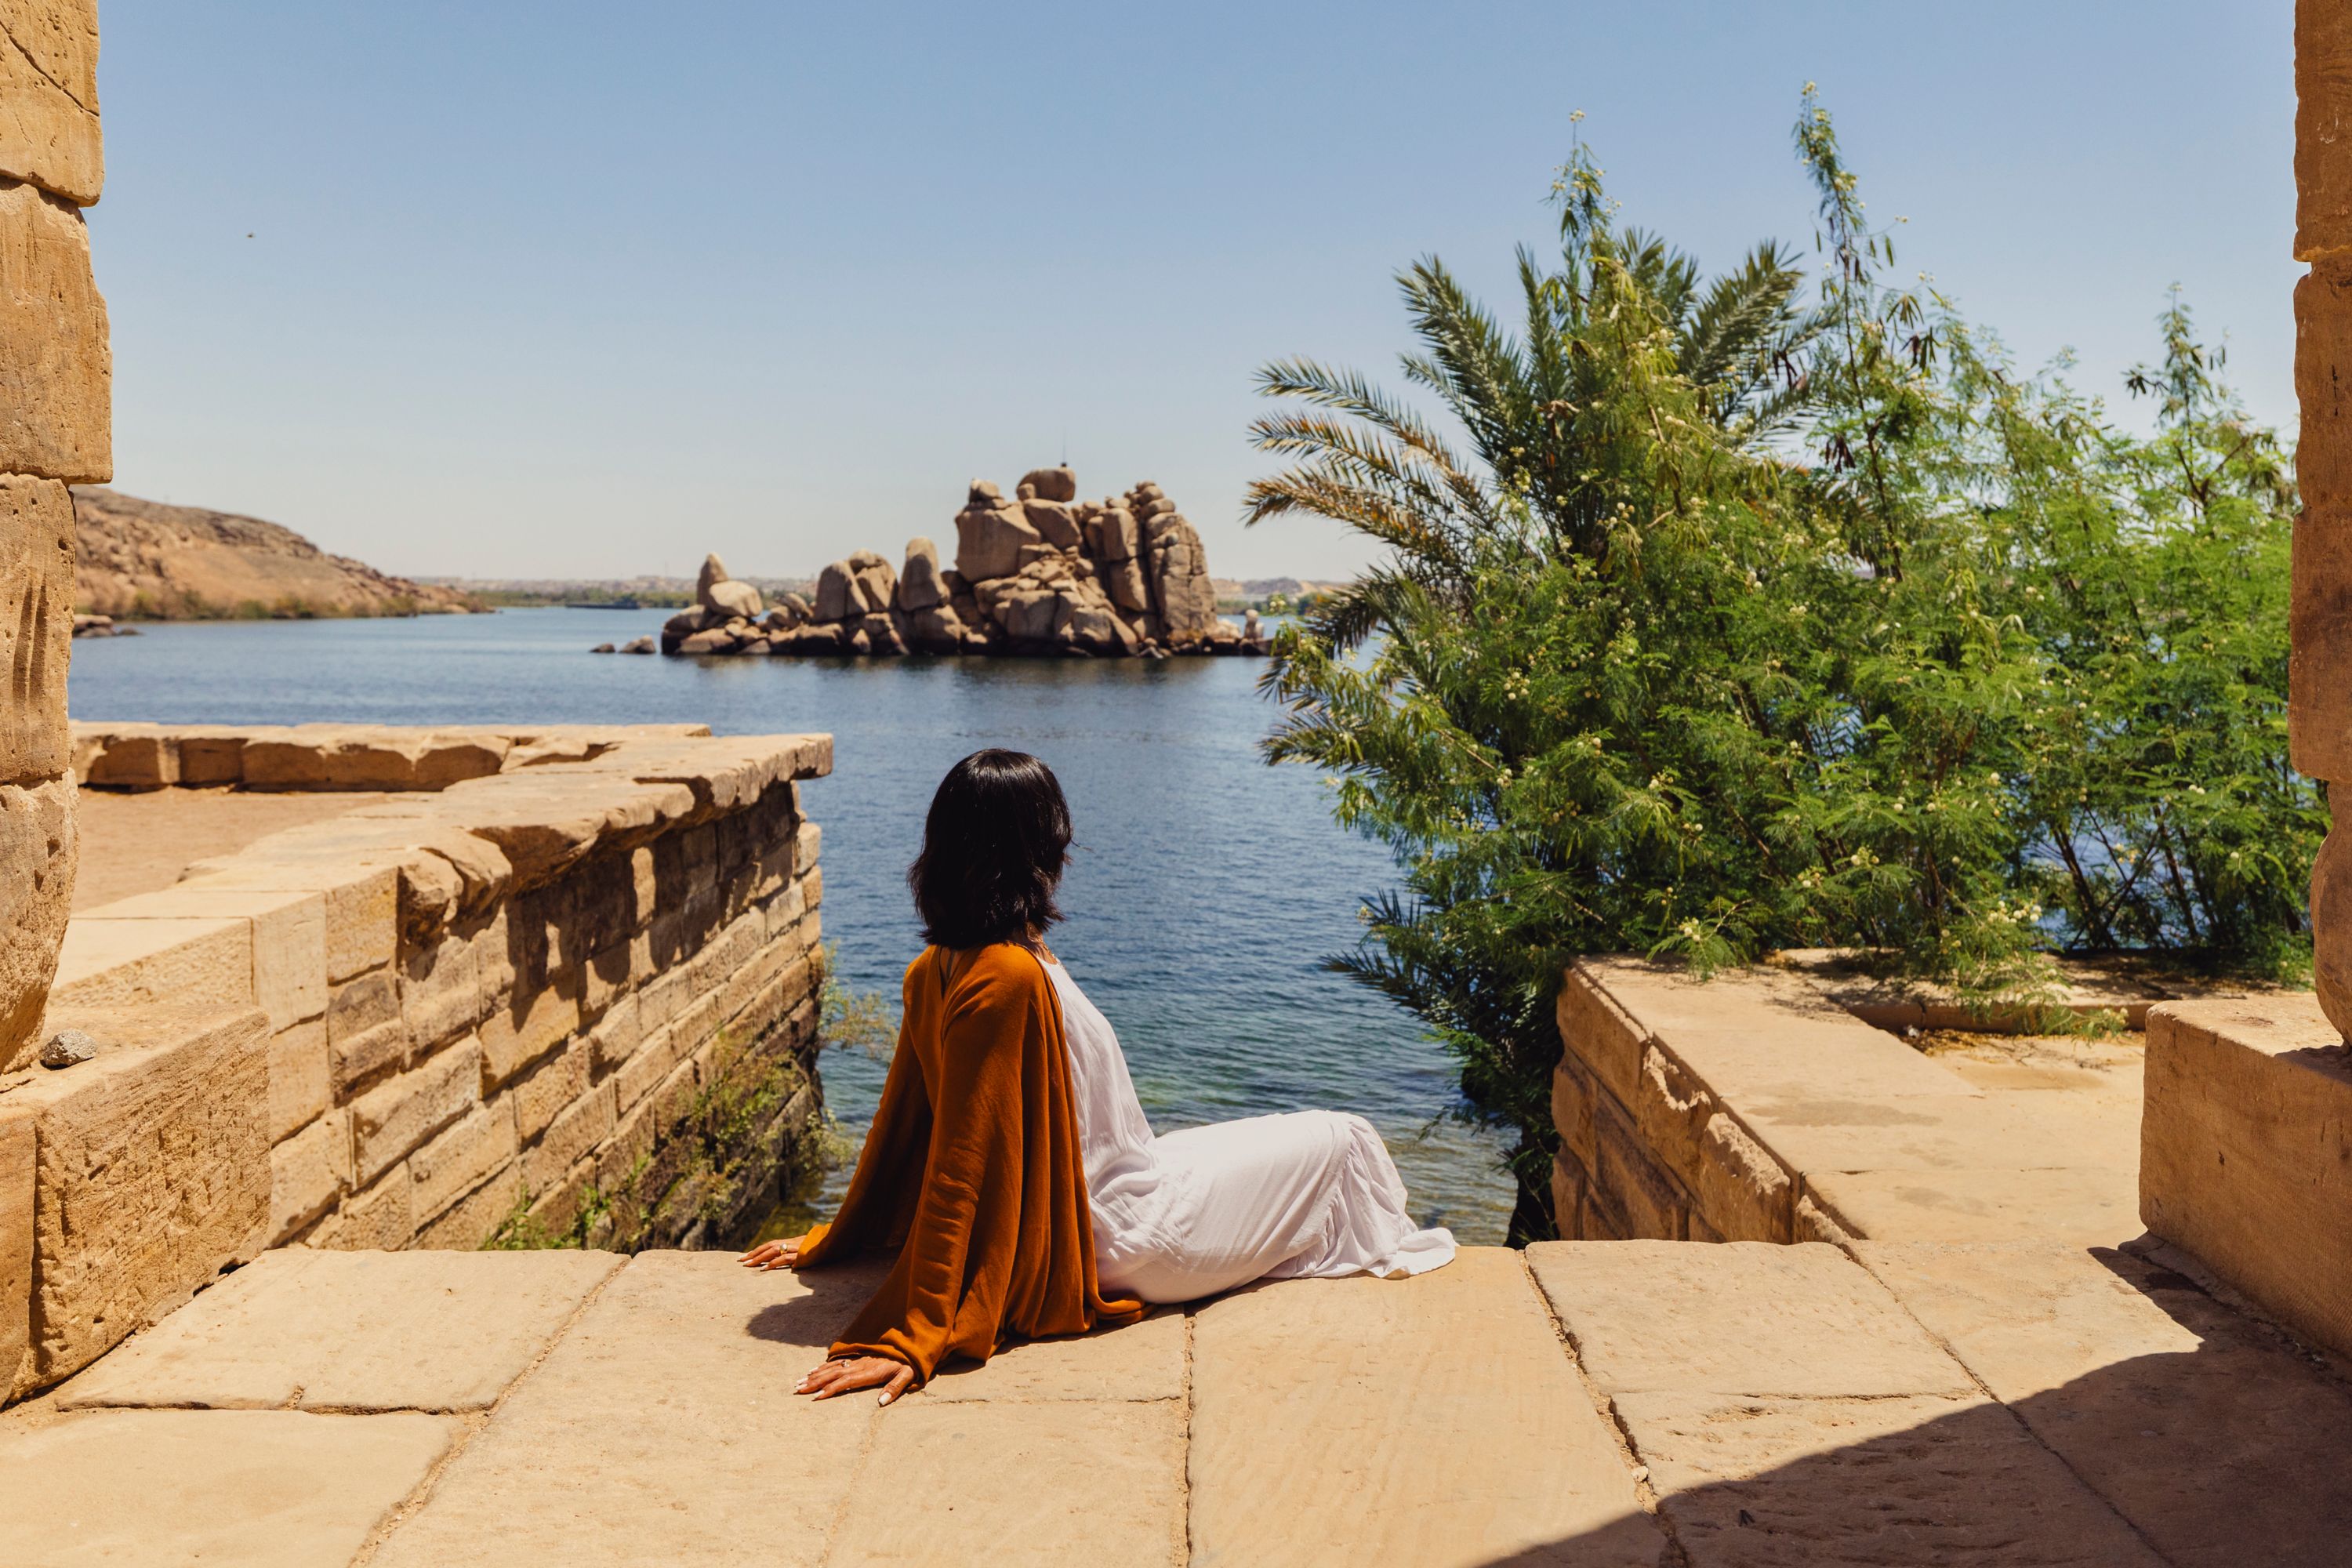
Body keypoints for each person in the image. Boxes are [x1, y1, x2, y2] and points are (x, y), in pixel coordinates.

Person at [739, 748, 1454, 1406]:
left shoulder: (942, 966)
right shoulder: (1009, 975)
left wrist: (846, 1229)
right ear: (1033, 848)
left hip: (1117, 1189)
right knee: (1343, 1135)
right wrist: (915, 1330)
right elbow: (959, 1156)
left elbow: (905, 1124)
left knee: (1263, 1138)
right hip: (1122, 1233)